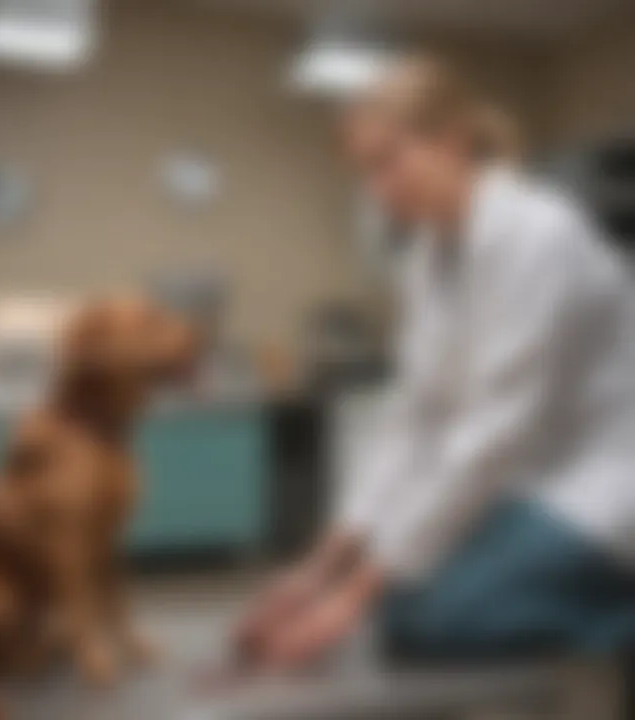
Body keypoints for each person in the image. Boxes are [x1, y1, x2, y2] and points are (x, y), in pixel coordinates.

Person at [234, 55, 635, 670]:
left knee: (435, 618)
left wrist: (352, 599)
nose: (378, 189)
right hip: (529, 484)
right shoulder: (428, 256)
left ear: (452, 142)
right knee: (400, 609)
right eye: (365, 171)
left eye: (389, 161)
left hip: (601, 484)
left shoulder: (537, 235)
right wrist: (320, 570)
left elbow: (493, 435)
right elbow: (414, 419)